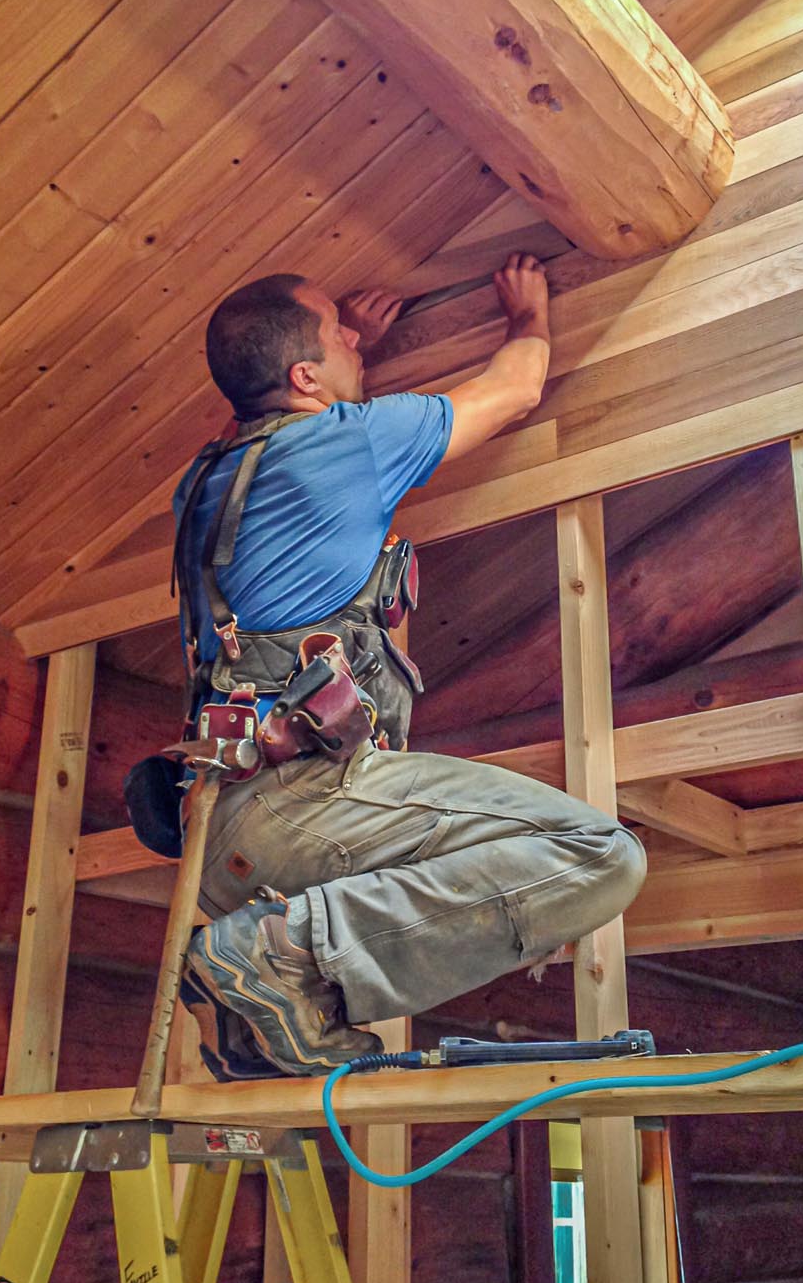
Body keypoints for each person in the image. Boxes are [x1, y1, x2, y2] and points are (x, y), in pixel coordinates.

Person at [174, 253, 646, 1078]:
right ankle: (275, 952)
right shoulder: (351, 445)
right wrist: (528, 314)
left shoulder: (202, 481)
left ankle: (271, 1010)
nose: (356, 331)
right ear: (305, 375)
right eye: (338, 330)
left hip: (218, 829)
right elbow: (515, 388)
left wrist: (349, 362)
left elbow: (263, 420)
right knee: (601, 855)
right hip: (305, 801)